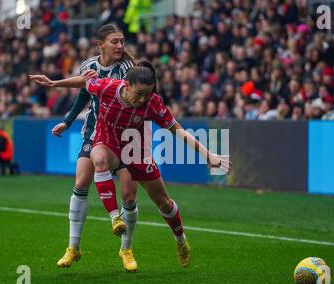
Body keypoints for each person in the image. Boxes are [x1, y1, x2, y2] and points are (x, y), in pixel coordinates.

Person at [29, 63, 231, 268]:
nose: (142, 99)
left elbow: (178, 131)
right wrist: (54, 83)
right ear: (126, 84)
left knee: (163, 203)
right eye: (139, 93)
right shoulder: (107, 87)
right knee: (98, 158)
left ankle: (181, 240)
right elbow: (85, 81)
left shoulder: (153, 103)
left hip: (136, 151)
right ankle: (115, 218)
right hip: (107, 144)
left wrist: (208, 155)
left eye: (147, 94)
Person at [50, 24, 140, 272]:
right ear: (100, 44)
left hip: (125, 135)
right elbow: (84, 94)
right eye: (114, 41)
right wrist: (67, 122)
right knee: (80, 183)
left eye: (122, 41)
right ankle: (73, 248)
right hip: (95, 131)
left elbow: (119, 94)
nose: (120, 46)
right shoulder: (89, 66)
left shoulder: (127, 69)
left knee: (129, 196)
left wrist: (55, 83)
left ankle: (126, 249)